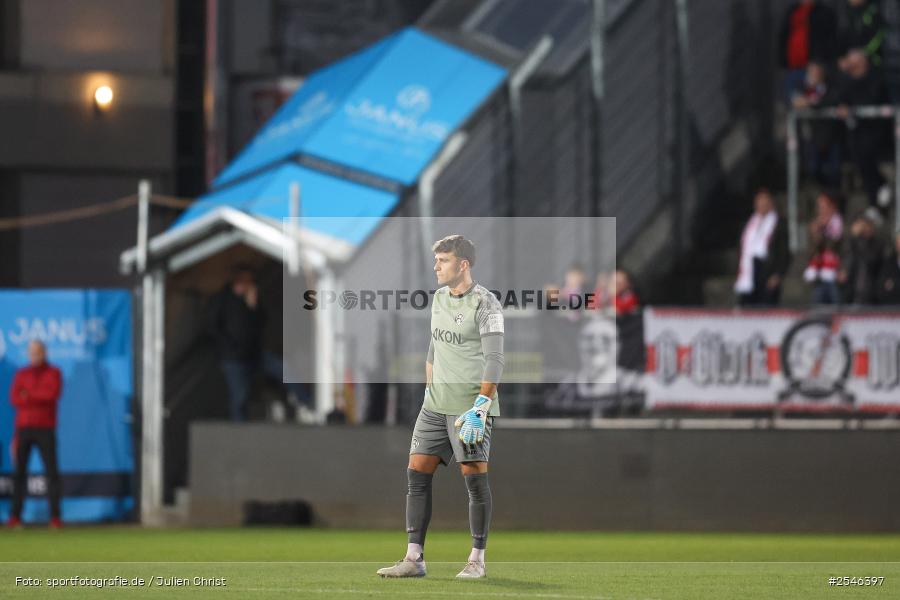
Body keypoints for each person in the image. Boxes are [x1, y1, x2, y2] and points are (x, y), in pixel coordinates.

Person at [377, 235, 504, 580]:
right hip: (435, 406)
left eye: (443, 260)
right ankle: (413, 559)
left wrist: (481, 405)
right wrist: (429, 392)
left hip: (470, 408)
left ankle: (477, 560)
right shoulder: (437, 299)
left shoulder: (486, 304)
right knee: (416, 473)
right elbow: (434, 349)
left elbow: (494, 359)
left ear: (463, 264)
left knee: (474, 479)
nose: (436, 267)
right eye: (436, 260)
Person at [207, 265, 311, 422]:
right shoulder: (222, 299)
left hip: (254, 353)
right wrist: (229, 346)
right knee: (239, 396)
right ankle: (239, 430)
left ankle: (307, 402)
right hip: (233, 357)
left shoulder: (251, 300)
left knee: (284, 369)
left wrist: (253, 306)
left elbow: (262, 321)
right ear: (239, 282)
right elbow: (213, 326)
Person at [7, 340, 63, 529]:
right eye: (31, 352)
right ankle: (15, 517)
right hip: (23, 428)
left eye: (38, 352)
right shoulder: (21, 373)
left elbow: (51, 395)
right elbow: (14, 397)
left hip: (46, 428)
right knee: (19, 473)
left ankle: (55, 517)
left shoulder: (54, 372)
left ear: (44, 352)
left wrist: (28, 395)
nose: (35, 355)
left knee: (51, 473)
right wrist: (33, 395)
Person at [835, 49, 891, 209]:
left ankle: (878, 198)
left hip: (876, 130)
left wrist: (852, 108)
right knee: (859, 162)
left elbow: (872, 98)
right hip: (857, 132)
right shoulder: (848, 80)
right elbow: (840, 97)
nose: (852, 67)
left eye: (855, 64)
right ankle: (877, 196)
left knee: (867, 157)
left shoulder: (875, 77)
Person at [735, 188, 791, 306]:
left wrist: (777, 274)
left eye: (765, 200)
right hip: (749, 273)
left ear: (771, 202)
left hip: (767, 271)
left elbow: (784, 253)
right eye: (759, 200)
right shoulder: (749, 223)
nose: (761, 204)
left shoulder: (778, 223)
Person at [780, 0, 839, 100]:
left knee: (814, 101)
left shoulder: (825, 12)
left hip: (815, 67)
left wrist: (818, 61)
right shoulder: (792, 11)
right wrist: (783, 60)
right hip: (793, 67)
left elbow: (829, 40)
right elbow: (784, 37)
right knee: (792, 100)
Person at [840, 210, 886, 303]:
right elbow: (847, 257)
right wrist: (854, 237)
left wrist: (856, 238)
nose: (865, 228)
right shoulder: (853, 242)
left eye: (868, 224)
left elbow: (870, 260)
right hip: (852, 289)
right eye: (864, 224)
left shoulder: (877, 244)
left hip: (870, 292)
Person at [840, 0, 886, 65]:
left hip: (872, 57)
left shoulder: (873, 11)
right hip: (850, 55)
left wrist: (864, 52)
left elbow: (880, 35)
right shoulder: (844, 11)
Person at [804, 238, 843, 304]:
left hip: (832, 282)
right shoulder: (818, 256)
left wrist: (839, 274)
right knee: (818, 296)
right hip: (820, 282)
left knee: (835, 297)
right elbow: (812, 269)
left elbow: (838, 268)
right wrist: (811, 276)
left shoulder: (835, 256)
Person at [876, 230, 900, 303]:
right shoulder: (888, 263)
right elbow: (881, 289)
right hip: (892, 308)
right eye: (898, 242)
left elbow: (889, 286)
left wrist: (894, 285)